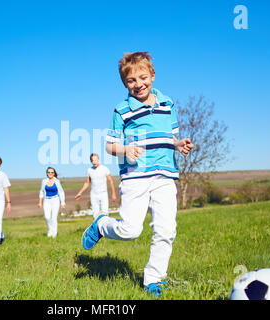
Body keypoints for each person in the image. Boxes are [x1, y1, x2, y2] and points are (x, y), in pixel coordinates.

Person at [81, 52, 194, 297]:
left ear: (152, 75)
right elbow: (110, 146)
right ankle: (101, 225)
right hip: (135, 177)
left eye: (143, 77)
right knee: (131, 230)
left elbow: (170, 136)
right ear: (125, 83)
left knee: (166, 230)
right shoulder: (122, 110)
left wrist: (178, 144)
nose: (138, 84)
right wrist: (125, 149)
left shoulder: (168, 104)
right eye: (131, 80)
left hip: (164, 176)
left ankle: (154, 279)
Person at [75, 153, 117, 219]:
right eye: (92, 160)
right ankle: (97, 228)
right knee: (95, 214)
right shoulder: (89, 170)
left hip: (103, 194)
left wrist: (113, 194)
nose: (94, 162)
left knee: (105, 213)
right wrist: (80, 192)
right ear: (91, 161)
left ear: (98, 160)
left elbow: (111, 181)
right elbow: (87, 183)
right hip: (94, 194)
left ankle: (104, 228)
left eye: (95, 160)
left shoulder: (104, 169)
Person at [38, 167, 66, 238]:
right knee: (47, 217)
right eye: (49, 172)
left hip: (55, 200)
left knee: (54, 217)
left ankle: (54, 234)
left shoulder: (57, 181)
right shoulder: (44, 181)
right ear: (47, 173)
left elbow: (61, 192)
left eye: (52, 172)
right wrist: (40, 202)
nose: (50, 174)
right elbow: (41, 191)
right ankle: (50, 230)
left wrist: (62, 203)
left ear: (54, 173)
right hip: (46, 200)